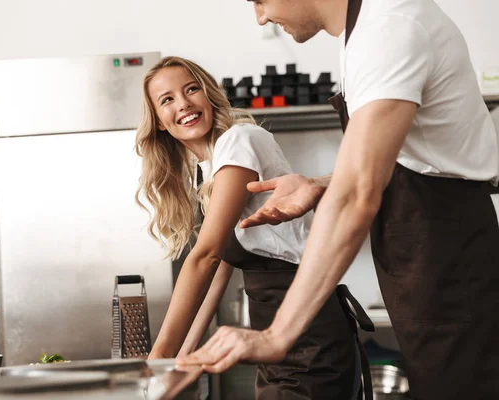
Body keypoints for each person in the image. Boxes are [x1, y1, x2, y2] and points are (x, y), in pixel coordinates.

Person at [178, 0, 499, 399]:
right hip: (424, 264)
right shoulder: (363, 34)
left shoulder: (389, 28)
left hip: (449, 263)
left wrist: (278, 334)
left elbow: (357, 195)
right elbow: (402, 163)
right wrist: (321, 183)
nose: (260, 17)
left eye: (258, 0)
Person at [135, 56, 370, 399]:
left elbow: (207, 256)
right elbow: (220, 272)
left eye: (191, 89)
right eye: (167, 99)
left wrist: (158, 361)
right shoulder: (210, 167)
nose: (184, 103)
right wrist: (183, 361)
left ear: (208, 94)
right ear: (158, 121)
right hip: (278, 332)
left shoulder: (239, 140)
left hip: (307, 329)